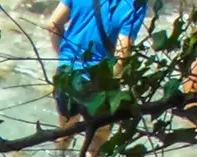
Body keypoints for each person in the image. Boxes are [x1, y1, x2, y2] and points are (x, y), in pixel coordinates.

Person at [47, 0, 149, 148]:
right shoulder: (135, 3)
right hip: (99, 77)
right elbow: (123, 53)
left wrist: (64, 59)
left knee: (65, 129)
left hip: (66, 73)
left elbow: (53, 24)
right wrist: (114, 89)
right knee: (98, 137)